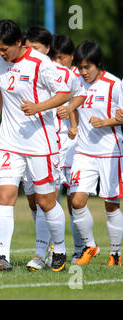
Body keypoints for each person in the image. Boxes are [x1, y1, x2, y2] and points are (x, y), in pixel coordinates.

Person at [0, 20, 70, 272]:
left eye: (5, 49)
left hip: (40, 143)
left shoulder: (41, 64)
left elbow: (64, 93)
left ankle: (60, 249)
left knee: (45, 201)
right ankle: (3, 258)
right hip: (10, 143)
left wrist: (38, 107)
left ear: (19, 43)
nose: (1, 54)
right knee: (4, 197)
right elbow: (0, 84)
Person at [21, 26, 86, 271]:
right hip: (28, 141)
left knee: (52, 197)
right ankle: (49, 247)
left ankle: (57, 249)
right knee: (35, 199)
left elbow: (76, 98)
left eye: (36, 49)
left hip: (57, 142)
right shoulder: (31, 68)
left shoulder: (64, 74)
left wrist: (70, 119)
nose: (31, 53)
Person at [65, 40, 123, 266]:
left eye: (87, 67)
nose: (83, 72)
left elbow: (122, 117)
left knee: (111, 204)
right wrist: (73, 126)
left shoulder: (115, 84)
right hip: (84, 152)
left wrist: (105, 122)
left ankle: (115, 254)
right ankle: (90, 246)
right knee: (77, 201)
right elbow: (73, 106)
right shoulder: (76, 82)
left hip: (111, 151)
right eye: (80, 67)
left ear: (99, 64)